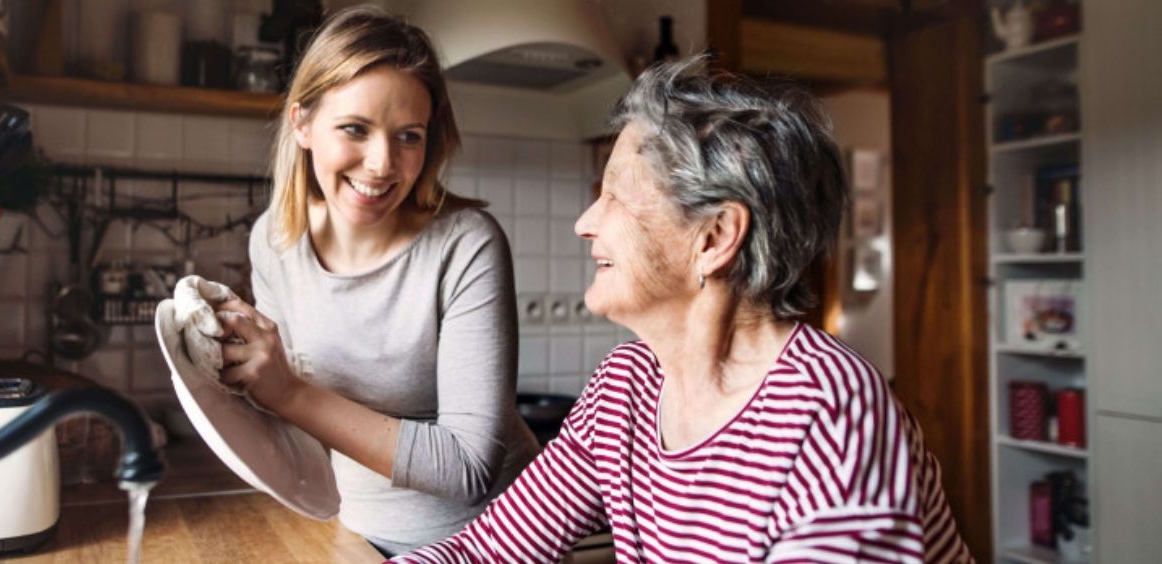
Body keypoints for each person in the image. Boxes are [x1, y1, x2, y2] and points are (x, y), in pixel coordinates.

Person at [396, 58, 973, 562]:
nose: (584, 223)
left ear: (715, 237)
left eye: (615, 196)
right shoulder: (626, 388)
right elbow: (491, 549)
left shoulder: (832, 417)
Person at [211, 6, 538, 556]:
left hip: (495, 541)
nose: (382, 164)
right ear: (302, 123)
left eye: (408, 136)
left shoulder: (466, 245)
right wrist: (237, 373)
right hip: (359, 531)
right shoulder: (274, 242)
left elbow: (469, 467)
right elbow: (293, 420)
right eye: (355, 129)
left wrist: (287, 391)